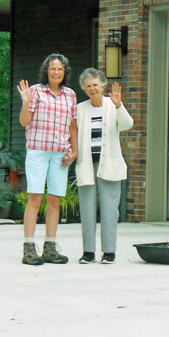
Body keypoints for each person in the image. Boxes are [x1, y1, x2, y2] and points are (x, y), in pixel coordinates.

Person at [17, 53, 78, 266]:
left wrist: (75, 151)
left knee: (55, 200)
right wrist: (26, 103)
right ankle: (29, 248)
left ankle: (50, 247)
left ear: (65, 72)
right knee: (35, 199)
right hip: (38, 151)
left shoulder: (70, 95)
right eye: (53, 68)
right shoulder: (35, 91)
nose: (56, 72)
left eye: (60, 69)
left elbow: (72, 126)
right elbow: (25, 121)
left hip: (60, 153)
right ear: (46, 70)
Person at [74, 68, 133, 264]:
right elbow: (73, 133)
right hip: (87, 164)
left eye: (95, 85)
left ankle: (109, 251)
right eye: (88, 86)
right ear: (84, 88)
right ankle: (88, 252)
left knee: (110, 210)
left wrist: (119, 106)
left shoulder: (112, 104)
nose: (92, 89)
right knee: (87, 209)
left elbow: (127, 125)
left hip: (109, 164)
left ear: (103, 86)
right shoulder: (80, 109)